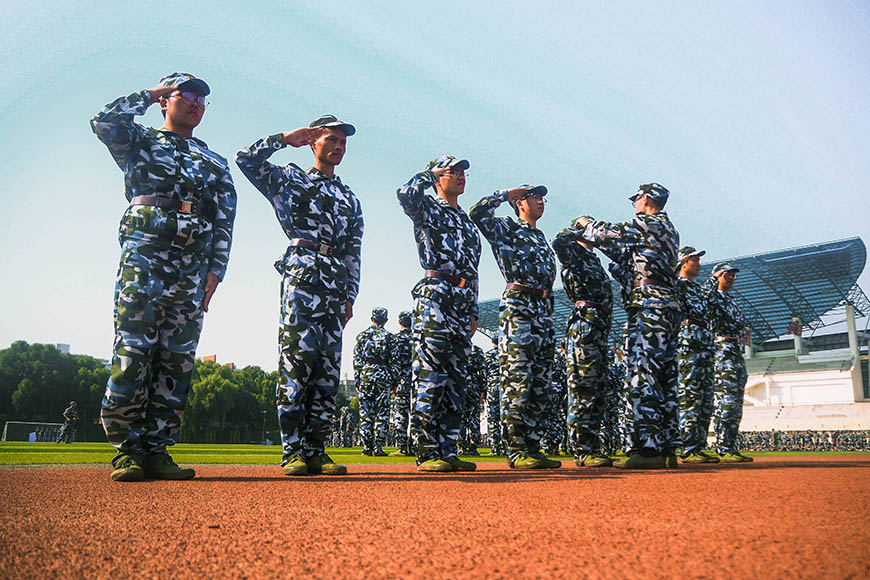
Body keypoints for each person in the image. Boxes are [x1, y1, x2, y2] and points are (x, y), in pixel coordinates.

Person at [91, 73, 237, 482]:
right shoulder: (140, 141)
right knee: (134, 350)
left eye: (202, 99)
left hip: (192, 267)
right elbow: (104, 121)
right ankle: (126, 450)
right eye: (186, 95)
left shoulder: (214, 161)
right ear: (164, 101)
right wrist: (150, 92)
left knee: (176, 359)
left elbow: (224, 217)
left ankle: (157, 450)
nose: (195, 103)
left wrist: (215, 271)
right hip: (146, 257)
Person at [236, 114, 362, 476]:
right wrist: (282, 138)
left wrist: (350, 294)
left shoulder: (349, 197)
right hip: (303, 278)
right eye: (331, 140)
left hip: (335, 285)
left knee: (327, 371)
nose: (338, 147)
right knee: (297, 364)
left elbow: (354, 250)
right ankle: (293, 450)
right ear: (312, 142)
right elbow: (246, 159)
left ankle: (317, 449)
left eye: (343, 143)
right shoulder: (288, 179)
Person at [575, 183, 680, 469]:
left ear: (645, 199)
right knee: (666, 378)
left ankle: (646, 450)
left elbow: (607, 233)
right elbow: (626, 254)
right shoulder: (668, 230)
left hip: (649, 306)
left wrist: (586, 224)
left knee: (643, 376)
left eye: (636, 199)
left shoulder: (647, 223)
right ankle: (668, 447)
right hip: (668, 307)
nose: (634, 203)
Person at [397, 155, 481, 473]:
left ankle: (448, 448)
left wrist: (472, 309)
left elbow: (473, 270)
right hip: (435, 294)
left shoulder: (469, 225)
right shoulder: (427, 207)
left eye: (463, 172)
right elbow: (405, 194)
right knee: (430, 376)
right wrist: (427, 174)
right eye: (452, 171)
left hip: (461, 301)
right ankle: (427, 450)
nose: (460, 176)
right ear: (438, 177)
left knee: (456, 380)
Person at [470, 185, 560, 470]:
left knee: (540, 382)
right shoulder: (506, 229)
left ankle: (533, 445)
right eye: (535, 196)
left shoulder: (541, 236)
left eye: (542, 197)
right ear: (520, 203)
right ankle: (518, 448)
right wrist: (507, 193)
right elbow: (478, 213)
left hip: (542, 310)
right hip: (519, 306)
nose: (541, 201)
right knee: (518, 379)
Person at [552, 221, 614, 467]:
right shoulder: (572, 253)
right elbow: (558, 241)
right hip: (584, 325)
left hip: (599, 327)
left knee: (598, 389)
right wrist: (580, 230)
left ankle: (593, 446)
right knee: (582, 388)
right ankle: (582, 449)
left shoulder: (595, 259)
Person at [675, 246, 719, 464]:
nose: (699, 264)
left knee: (705, 399)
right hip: (689, 344)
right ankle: (688, 447)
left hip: (704, 344)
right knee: (690, 396)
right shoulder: (677, 286)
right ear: (684, 263)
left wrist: (714, 280)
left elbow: (710, 301)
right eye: (695, 260)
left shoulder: (697, 289)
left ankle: (699, 446)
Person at [705, 262, 753, 463]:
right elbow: (703, 296)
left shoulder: (731, 301)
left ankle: (730, 445)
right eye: (727, 274)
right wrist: (713, 278)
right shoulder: (712, 296)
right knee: (726, 400)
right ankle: (723, 448)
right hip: (721, 349)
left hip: (735, 350)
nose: (732, 278)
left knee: (736, 402)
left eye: (734, 275)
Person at [353, 307, 395, 456]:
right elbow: (394, 362)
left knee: (365, 413)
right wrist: (394, 382)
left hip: (366, 372)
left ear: (372, 318)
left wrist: (358, 379)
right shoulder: (390, 337)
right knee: (382, 413)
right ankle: (378, 447)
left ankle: (366, 448)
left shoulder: (361, 336)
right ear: (385, 320)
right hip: (383, 374)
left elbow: (356, 360)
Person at [388, 310, 414, 456]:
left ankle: (403, 448)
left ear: (399, 322)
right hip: (418, 381)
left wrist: (394, 383)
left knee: (401, 415)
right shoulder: (418, 338)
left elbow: (394, 362)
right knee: (417, 415)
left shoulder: (395, 339)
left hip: (402, 381)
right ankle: (418, 446)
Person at [483, 335, 505, 455]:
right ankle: (506, 446)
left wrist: (483, 391)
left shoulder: (488, 355)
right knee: (505, 418)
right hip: (505, 388)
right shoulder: (506, 354)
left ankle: (495, 448)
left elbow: (483, 372)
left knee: (492, 419)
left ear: (492, 342)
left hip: (492, 388)